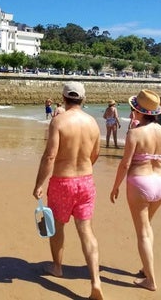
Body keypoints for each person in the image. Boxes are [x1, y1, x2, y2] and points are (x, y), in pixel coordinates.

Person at [33, 82, 104, 300]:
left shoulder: (59, 121)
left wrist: (38, 184)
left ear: (63, 98)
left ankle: (57, 267)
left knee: (58, 227)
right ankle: (96, 282)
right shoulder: (93, 123)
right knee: (86, 231)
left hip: (63, 182)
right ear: (83, 99)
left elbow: (50, 156)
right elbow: (95, 154)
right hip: (86, 181)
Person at [110, 89, 161, 291]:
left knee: (143, 233)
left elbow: (125, 164)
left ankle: (150, 281)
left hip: (141, 182)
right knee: (147, 226)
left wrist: (116, 186)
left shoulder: (135, 132)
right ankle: (145, 268)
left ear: (138, 111)